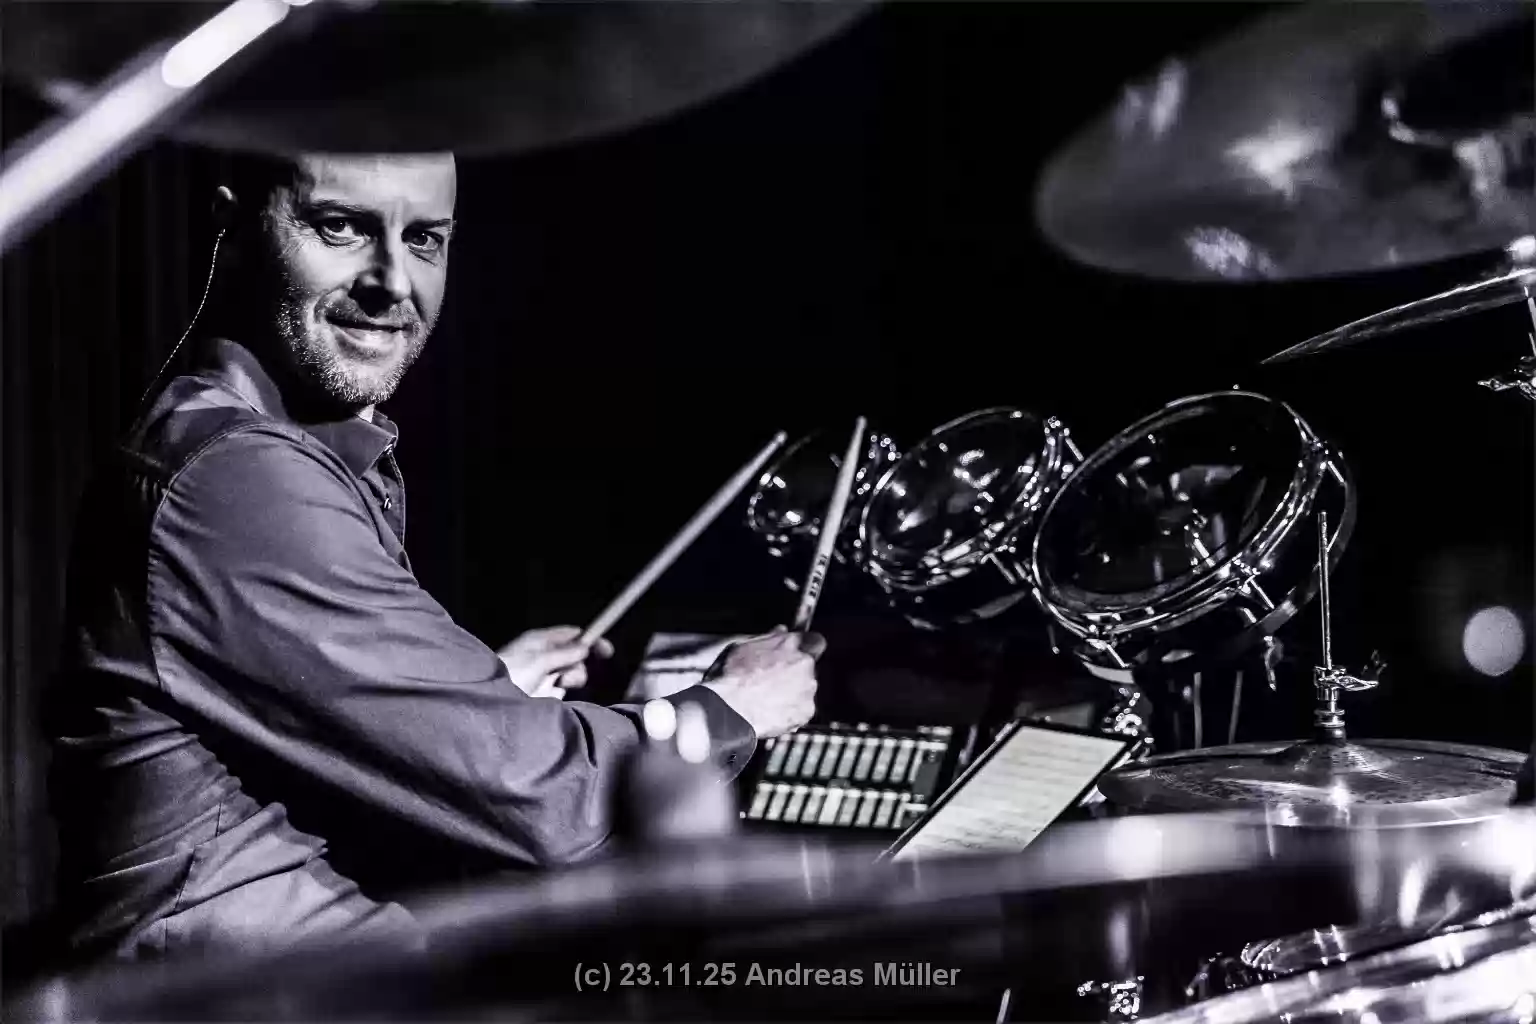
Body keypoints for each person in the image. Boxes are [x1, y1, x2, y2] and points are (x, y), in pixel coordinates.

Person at [46, 150, 823, 962]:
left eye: (424, 238)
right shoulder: (239, 476)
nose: (392, 282)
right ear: (230, 225)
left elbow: (282, 725)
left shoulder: (256, 442)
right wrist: (732, 708)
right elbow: (546, 801)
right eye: (339, 227)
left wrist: (479, 693)